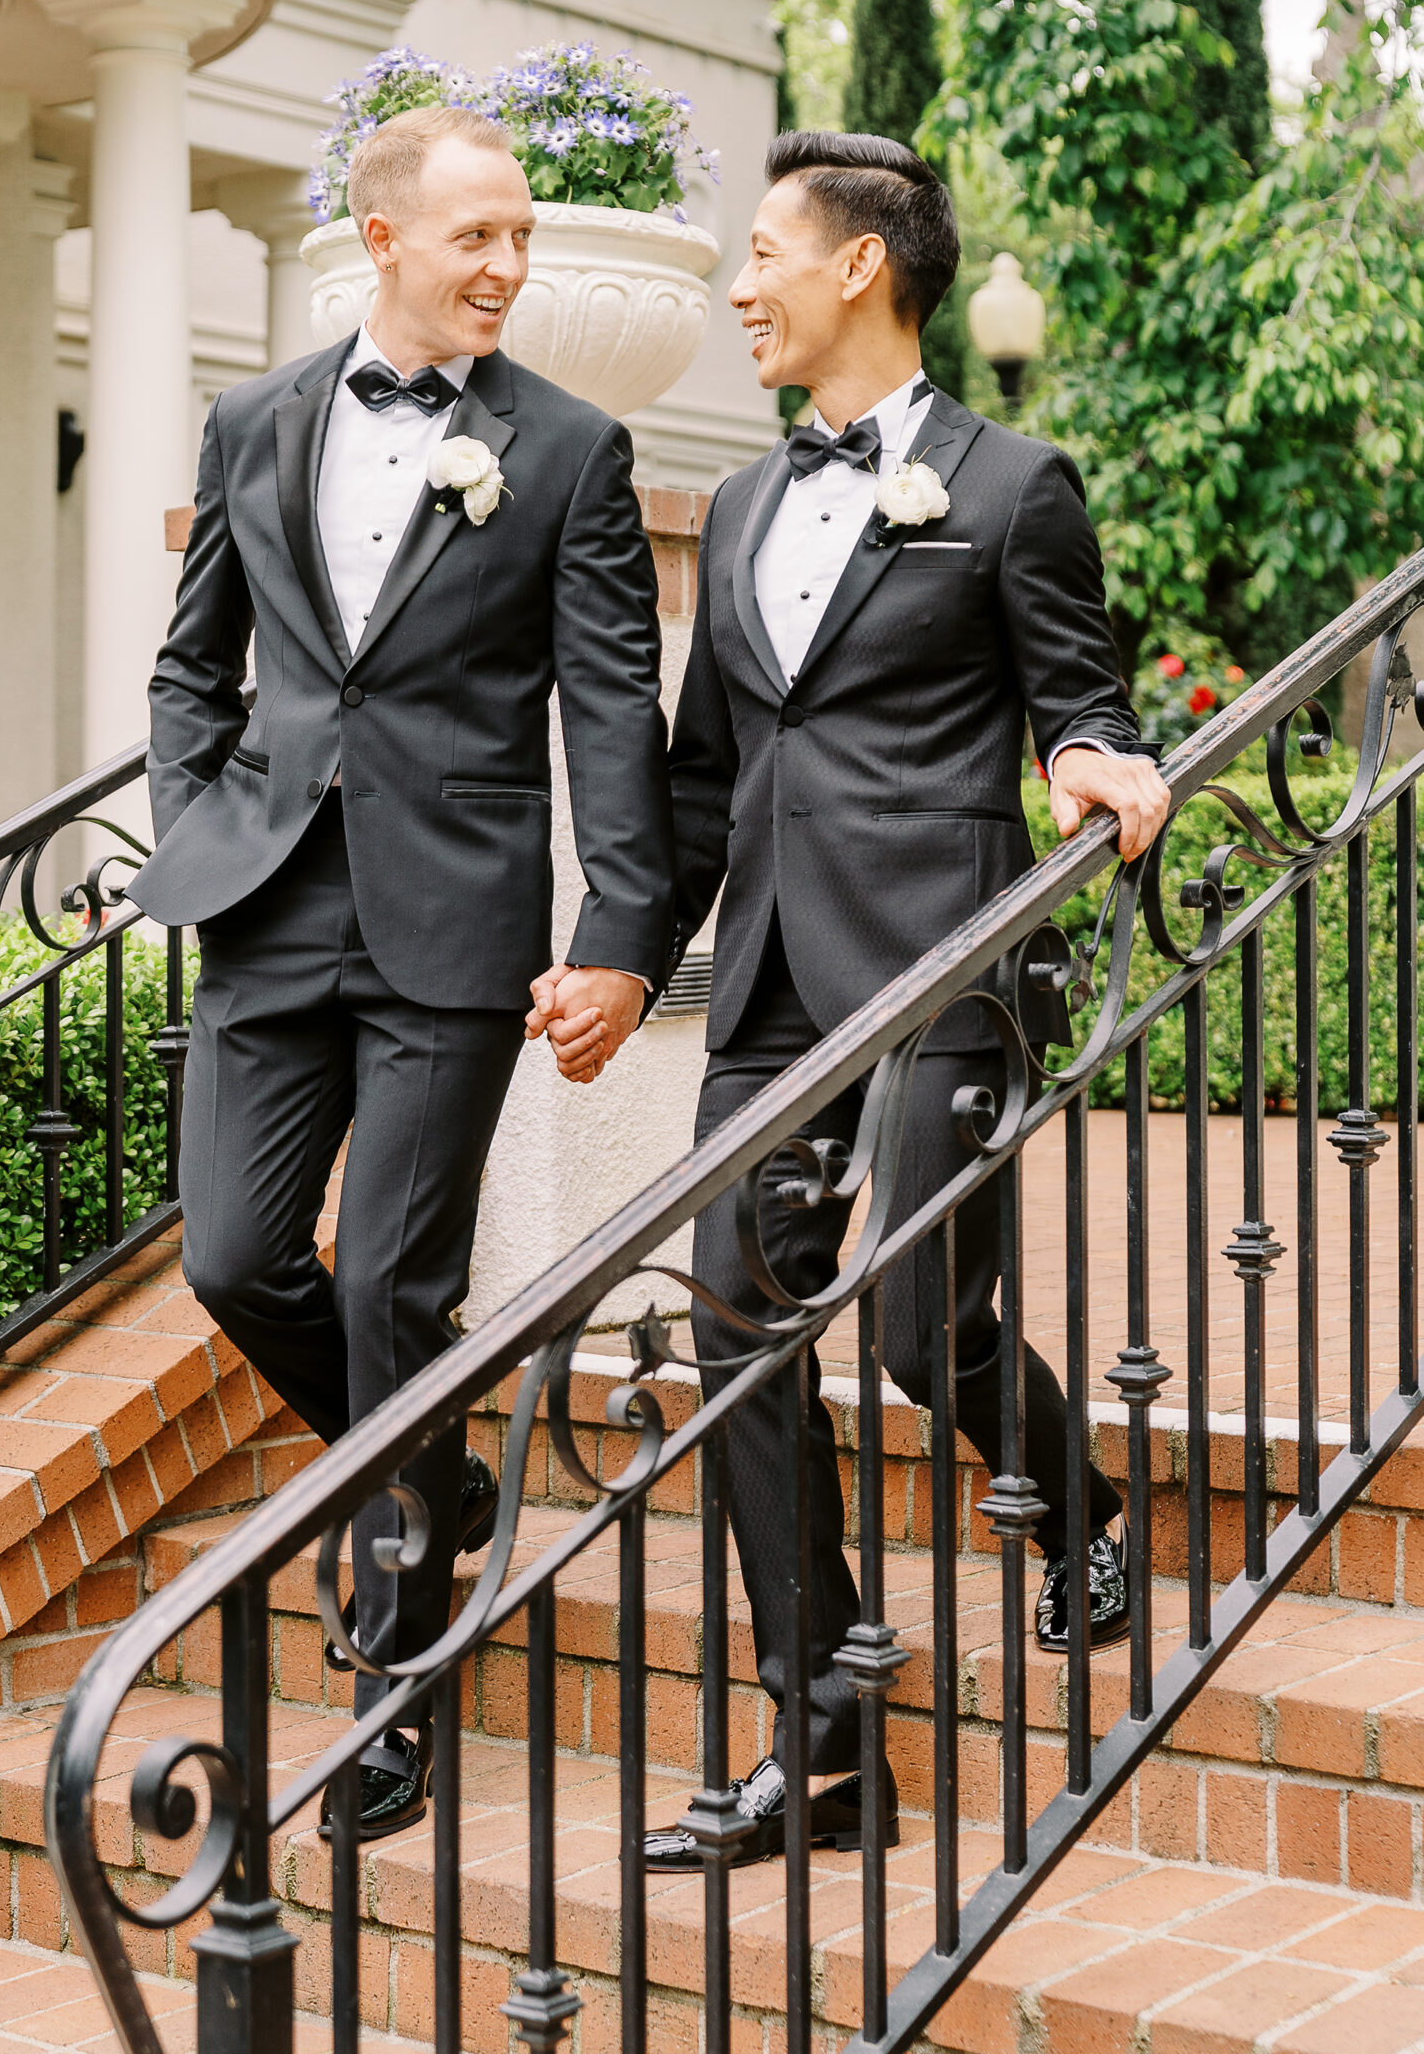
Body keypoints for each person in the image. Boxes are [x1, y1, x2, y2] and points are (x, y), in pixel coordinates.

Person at [533, 129, 1170, 1872]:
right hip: (764, 986)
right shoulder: (740, 503)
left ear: (859, 269)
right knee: (741, 1333)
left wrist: (1103, 762)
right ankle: (822, 1756)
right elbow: (694, 776)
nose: (739, 285)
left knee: (911, 1332)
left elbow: (1079, 696)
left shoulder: (1013, 484)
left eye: (762, 254)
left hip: (943, 966)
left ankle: (1081, 1503)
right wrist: (615, 951)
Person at [132, 105, 674, 1840]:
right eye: (478, 238)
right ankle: (425, 1476)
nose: (509, 265)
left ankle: (394, 1678)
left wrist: (616, 942)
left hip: (452, 932)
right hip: (272, 907)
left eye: (519, 235)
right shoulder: (254, 420)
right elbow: (189, 667)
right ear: (385, 239)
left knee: (388, 1285)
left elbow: (611, 711)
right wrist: (200, 814)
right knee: (232, 1256)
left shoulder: (570, 451)